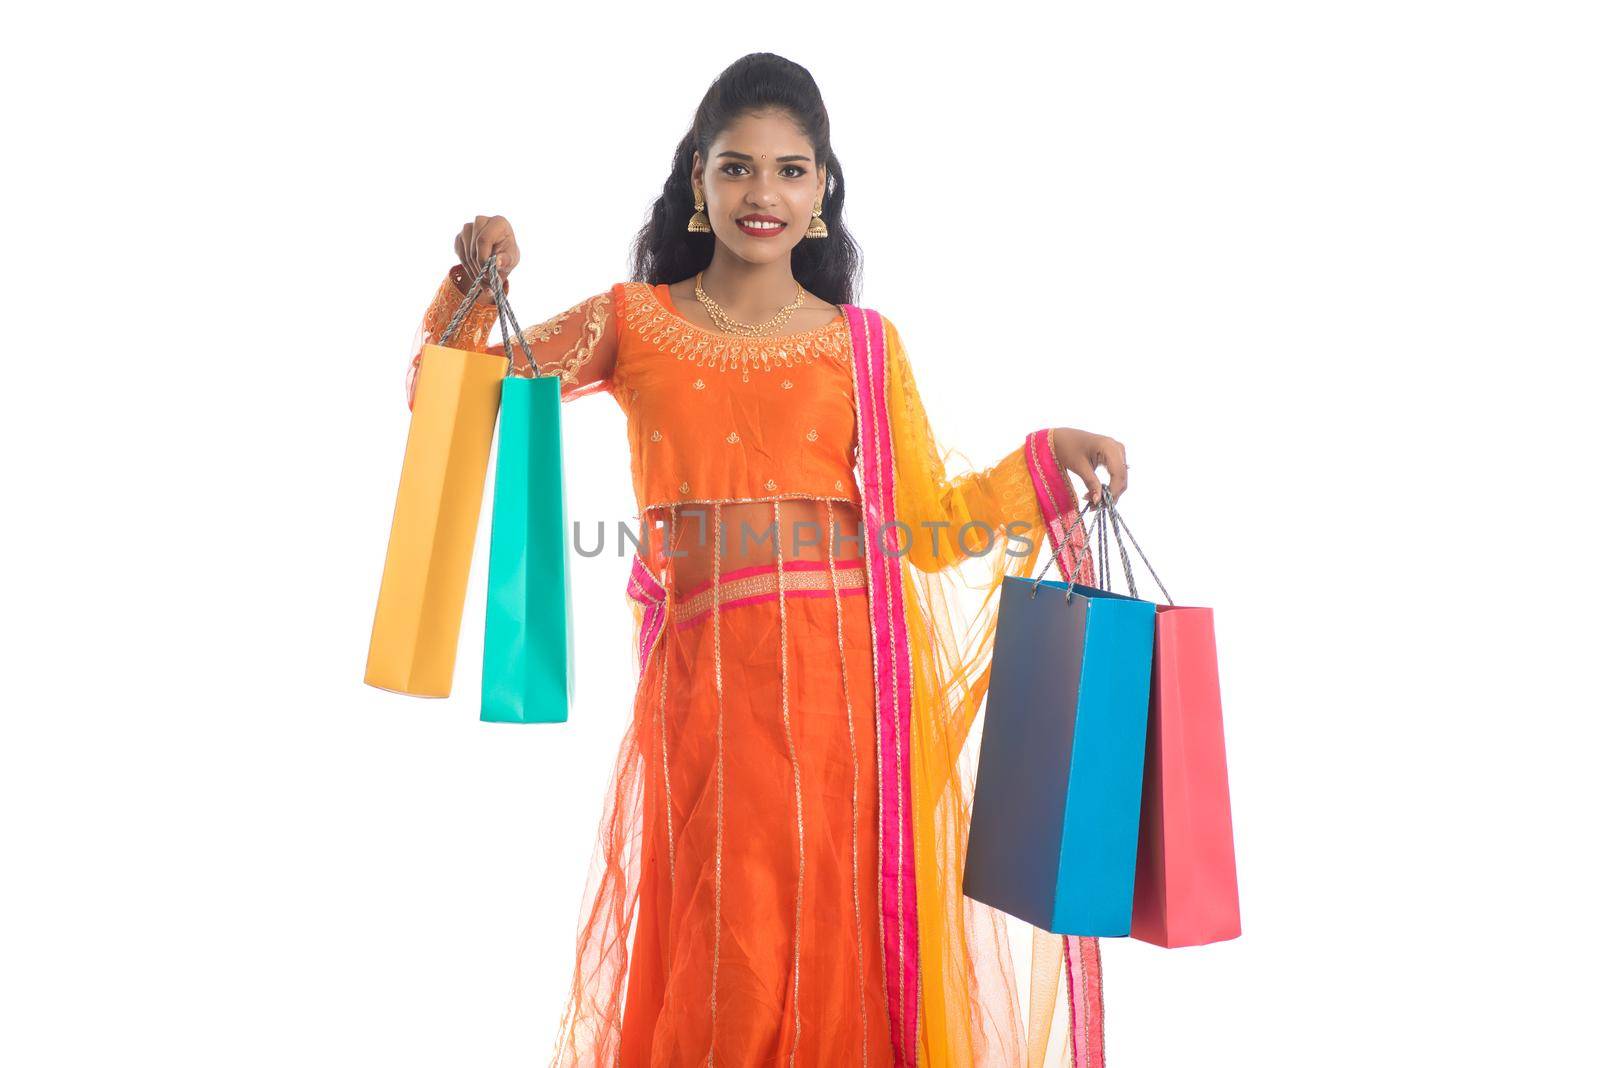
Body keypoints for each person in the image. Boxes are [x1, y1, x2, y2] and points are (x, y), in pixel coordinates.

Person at [401, 52, 1129, 1068]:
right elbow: (453, 398)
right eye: (737, 167)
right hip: (707, 693)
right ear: (696, 179)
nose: (763, 193)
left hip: (849, 701)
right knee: (724, 947)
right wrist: (478, 281)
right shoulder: (632, 322)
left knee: (842, 939)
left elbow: (932, 523)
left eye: (792, 170)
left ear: (823, 190)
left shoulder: (860, 344)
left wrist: (1042, 462)